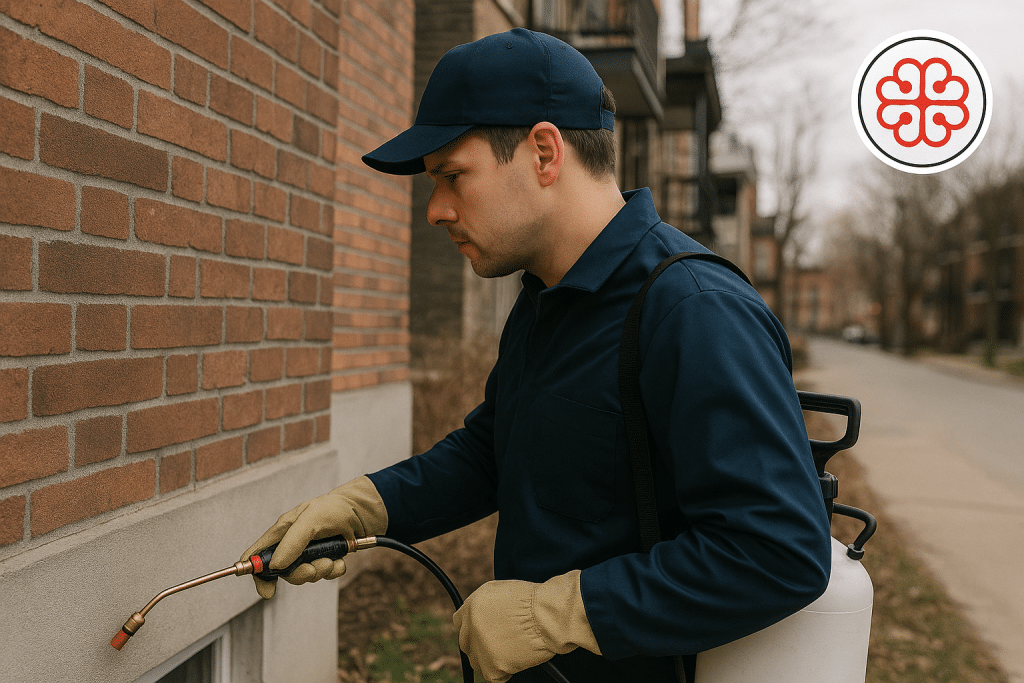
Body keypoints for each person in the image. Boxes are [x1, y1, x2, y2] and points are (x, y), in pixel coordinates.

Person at [242, 28, 832, 683]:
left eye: (452, 175)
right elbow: (495, 450)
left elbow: (776, 549)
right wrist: (363, 506)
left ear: (544, 151)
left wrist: (559, 614)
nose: (435, 209)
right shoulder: (546, 298)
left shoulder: (693, 309)